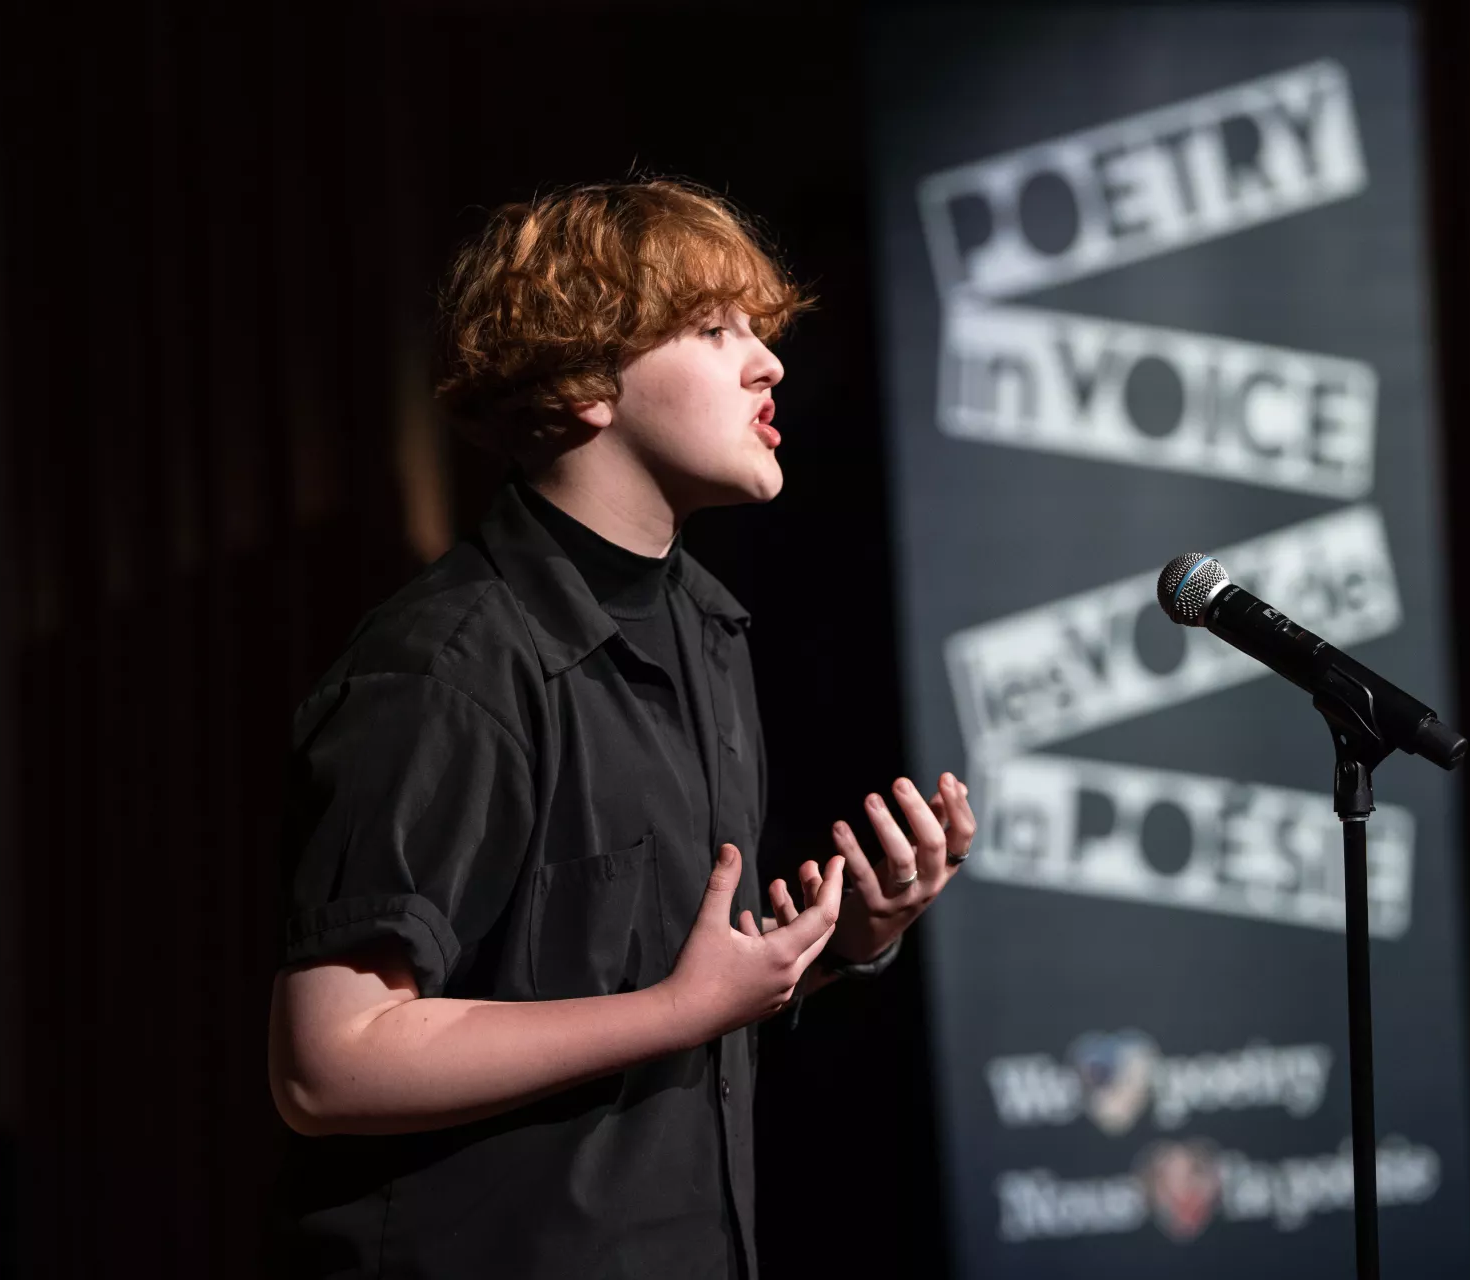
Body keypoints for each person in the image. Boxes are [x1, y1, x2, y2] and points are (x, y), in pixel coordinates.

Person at [266, 179, 976, 1279]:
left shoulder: (710, 629)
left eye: (760, 331)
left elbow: (654, 991)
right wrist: (677, 1007)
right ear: (587, 381)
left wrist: (841, 945)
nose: (768, 363)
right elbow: (328, 1060)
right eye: (713, 330)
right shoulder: (450, 663)